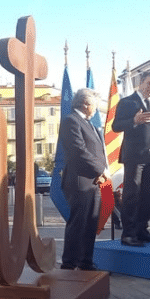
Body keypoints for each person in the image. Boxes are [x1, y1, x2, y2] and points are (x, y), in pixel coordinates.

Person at [112, 71, 150, 247]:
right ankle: (128, 234)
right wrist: (134, 120)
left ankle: (142, 230)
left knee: (148, 196)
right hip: (134, 156)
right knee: (132, 195)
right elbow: (116, 126)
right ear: (141, 83)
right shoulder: (128, 102)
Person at [58, 88, 109, 270]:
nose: (96, 109)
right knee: (78, 223)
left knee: (90, 223)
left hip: (94, 182)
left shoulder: (91, 125)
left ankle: (86, 262)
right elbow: (78, 151)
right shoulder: (71, 121)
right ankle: (69, 263)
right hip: (79, 181)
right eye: (95, 104)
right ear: (86, 104)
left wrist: (103, 172)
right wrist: (100, 170)